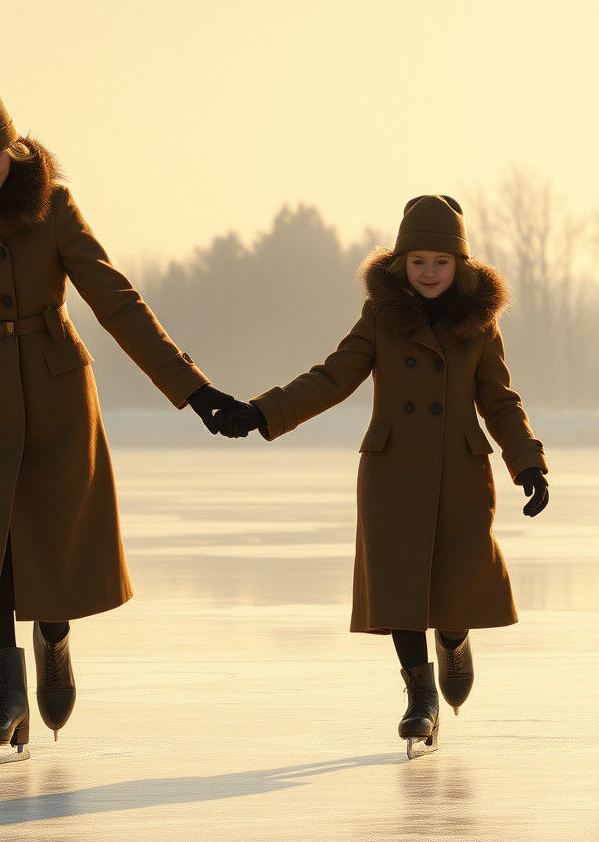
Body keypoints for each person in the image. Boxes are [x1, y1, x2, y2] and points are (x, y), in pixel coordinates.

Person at [0, 82, 240, 764]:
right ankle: (6, 697)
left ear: (13, 147)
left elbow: (117, 301)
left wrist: (193, 389)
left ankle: (53, 639)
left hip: (53, 389)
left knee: (52, 535)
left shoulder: (52, 204)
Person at [216, 194, 549, 759]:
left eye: (441, 262)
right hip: (392, 471)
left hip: (460, 471)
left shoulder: (479, 324)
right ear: (400, 263)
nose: (429, 272)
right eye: (418, 261)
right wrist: (261, 412)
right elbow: (332, 377)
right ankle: (421, 697)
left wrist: (528, 461)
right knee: (399, 585)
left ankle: (454, 637)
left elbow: (499, 399)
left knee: (457, 577)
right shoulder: (380, 318)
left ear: (460, 265)